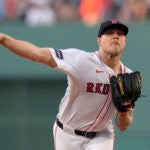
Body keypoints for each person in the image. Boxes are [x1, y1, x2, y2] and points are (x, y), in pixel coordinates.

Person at [0, 19, 134, 150]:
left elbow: (123, 126)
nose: (115, 36)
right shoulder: (81, 61)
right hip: (67, 133)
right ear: (99, 40)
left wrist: (123, 113)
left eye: (120, 34)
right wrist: (3, 39)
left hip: (101, 135)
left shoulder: (129, 77)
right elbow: (38, 54)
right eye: (109, 33)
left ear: (125, 41)